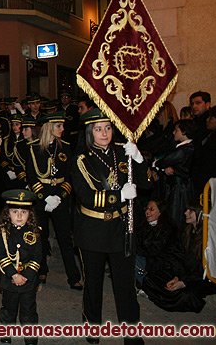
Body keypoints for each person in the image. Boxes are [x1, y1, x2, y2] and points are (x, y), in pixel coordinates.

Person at [71, 108, 151, 345]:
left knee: (125, 286)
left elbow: (145, 183)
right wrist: (119, 196)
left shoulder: (121, 152)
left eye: (107, 128)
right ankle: (92, 326)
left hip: (120, 228)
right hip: (93, 230)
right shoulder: (81, 159)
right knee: (93, 284)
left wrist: (138, 159)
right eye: (98, 129)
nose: (104, 133)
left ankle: (131, 333)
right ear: (89, 132)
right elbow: (86, 196)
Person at [26, 112, 82, 289]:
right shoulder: (34, 148)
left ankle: (73, 276)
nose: (63, 129)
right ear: (49, 127)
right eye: (59, 126)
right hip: (42, 198)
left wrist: (59, 196)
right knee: (40, 236)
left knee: (65, 238)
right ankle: (41, 269)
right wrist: (44, 197)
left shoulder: (65, 147)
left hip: (59, 197)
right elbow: (31, 176)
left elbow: (69, 176)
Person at [141, 200, 216, 312]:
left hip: (201, 278)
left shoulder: (209, 238)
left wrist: (184, 281)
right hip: (184, 274)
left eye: (190, 211)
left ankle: (174, 299)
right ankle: (172, 298)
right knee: (150, 280)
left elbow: (203, 270)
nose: (186, 213)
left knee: (187, 295)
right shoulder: (187, 233)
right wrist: (177, 277)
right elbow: (177, 256)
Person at [0, 190, 42, 345]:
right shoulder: (2, 232)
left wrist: (26, 275)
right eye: (15, 212)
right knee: (9, 309)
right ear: (8, 213)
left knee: (28, 311)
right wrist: (14, 275)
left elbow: (37, 257)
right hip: (10, 279)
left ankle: (30, 338)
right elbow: (1, 256)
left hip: (28, 280)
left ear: (30, 214)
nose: (20, 216)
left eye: (24, 212)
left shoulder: (34, 232)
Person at [153, 120, 196, 232]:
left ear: (184, 131)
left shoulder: (185, 149)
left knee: (176, 215)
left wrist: (157, 164)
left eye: (176, 130)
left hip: (179, 189)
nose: (173, 133)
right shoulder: (183, 148)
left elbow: (166, 160)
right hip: (177, 187)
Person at [135, 200, 175, 290]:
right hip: (146, 259)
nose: (147, 212)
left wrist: (133, 249)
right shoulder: (145, 226)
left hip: (158, 264)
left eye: (152, 209)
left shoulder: (166, 230)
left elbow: (154, 251)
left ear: (160, 212)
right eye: (147, 209)